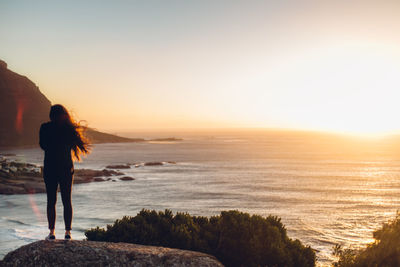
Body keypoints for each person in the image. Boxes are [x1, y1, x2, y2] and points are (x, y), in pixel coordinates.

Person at [39, 104, 90, 240]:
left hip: (50, 167)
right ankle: (68, 233)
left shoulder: (45, 127)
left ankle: (52, 232)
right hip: (66, 168)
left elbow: (43, 145)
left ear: (51, 115)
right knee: (67, 200)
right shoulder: (68, 129)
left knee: (51, 200)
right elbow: (72, 144)